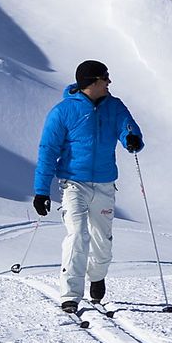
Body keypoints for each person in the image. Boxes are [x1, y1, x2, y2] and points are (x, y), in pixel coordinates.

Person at [33, 60, 143, 313]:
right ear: (92, 82)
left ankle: (97, 276)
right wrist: (41, 191)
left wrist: (131, 139)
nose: (109, 82)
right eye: (105, 78)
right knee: (77, 235)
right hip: (74, 184)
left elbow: (128, 127)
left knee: (101, 240)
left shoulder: (114, 107)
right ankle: (70, 294)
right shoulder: (63, 112)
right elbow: (47, 151)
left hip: (105, 184)